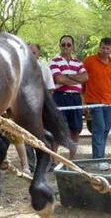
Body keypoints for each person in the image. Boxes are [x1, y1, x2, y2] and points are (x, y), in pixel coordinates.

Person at [49, 35, 88, 159]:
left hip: (76, 98)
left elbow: (85, 77)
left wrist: (66, 76)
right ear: (60, 46)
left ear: (72, 46)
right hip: (60, 97)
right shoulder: (54, 61)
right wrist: (75, 77)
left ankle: (72, 159)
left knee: (75, 129)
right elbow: (58, 78)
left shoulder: (78, 62)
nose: (66, 47)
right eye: (63, 44)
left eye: (69, 44)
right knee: (58, 129)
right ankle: (53, 159)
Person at [24, 43, 56, 172]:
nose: (31, 55)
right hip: (25, 108)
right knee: (26, 136)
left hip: (42, 108)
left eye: (33, 53)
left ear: (38, 54)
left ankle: (45, 164)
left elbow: (50, 90)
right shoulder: (21, 69)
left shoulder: (44, 68)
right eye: (28, 52)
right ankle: (30, 164)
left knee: (44, 135)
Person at [83, 37, 111, 171]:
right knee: (99, 128)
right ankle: (97, 159)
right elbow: (82, 80)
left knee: (106, 129)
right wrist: (83, 100)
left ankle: (101, 157)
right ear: (99, 47)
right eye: (103, 47)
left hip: (109, 102)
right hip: (94, 101)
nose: (105, 50)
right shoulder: (89, 61)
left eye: (108, 48)